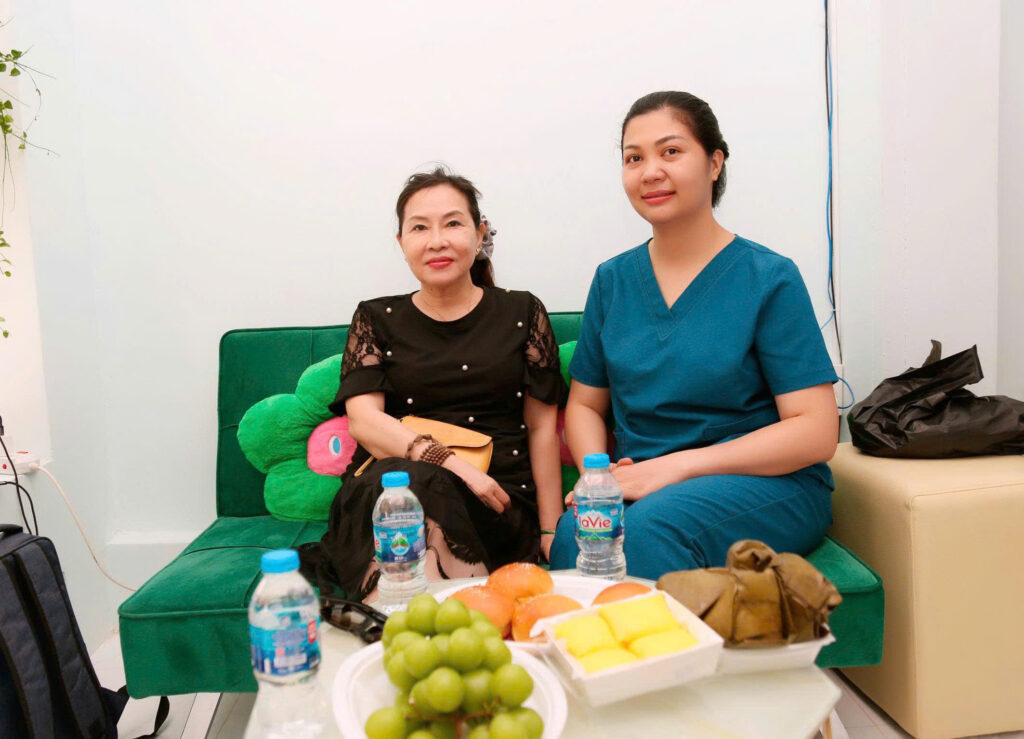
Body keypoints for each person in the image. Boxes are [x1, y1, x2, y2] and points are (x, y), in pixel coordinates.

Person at [549, 91, 840, 580]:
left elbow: (815, 430)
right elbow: (584, 405)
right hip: (643, 485)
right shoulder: (613, 280)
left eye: (671, 151)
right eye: (633, 158)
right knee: (574, 535)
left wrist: (676, 467)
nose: (650, 172)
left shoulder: (768, 277)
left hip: (763, 484)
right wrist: (597, 478)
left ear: (714, 163)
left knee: (646, 533)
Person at [301, 167, 566, 601]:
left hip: (493, 500)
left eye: (453, 223)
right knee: (405, 484)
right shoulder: (375, 318)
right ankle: (425, 622)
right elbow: (363, 422)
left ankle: (410, 624)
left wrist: (551, 530)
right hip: (388, 495)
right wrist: (453, 465)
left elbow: (541, 429)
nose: (436, 241)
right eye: (420, 227)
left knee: (416, 485)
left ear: (479, 234)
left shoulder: (522, 312)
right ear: (401, 242)